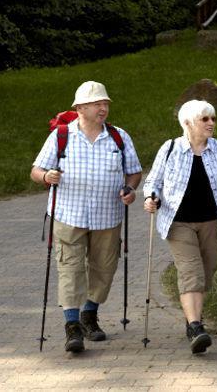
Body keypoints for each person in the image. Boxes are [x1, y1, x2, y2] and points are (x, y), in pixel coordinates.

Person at [30, 81, 142, 354]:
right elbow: (36, 170)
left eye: (105, 104)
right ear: (80, 108)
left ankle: (89, 314)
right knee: (70, 268)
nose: (103, 108)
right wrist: (46, 176)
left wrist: (130, 189)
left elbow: (134, 171)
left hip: (108, 216)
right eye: (97, 104)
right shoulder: (61, 136)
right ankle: (72, 327)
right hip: (68, 214)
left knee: (104, 268)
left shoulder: (119, 137)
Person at [142, 99, 217, 354]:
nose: (211, 123)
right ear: (188, 123)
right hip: (179, 223)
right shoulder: (170, 149)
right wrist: (151, 197)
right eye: (205, 119)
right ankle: (196, 327)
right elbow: (152, 182)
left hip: (214, 221)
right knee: (192, 272)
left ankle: (191, 317)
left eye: (212, 118)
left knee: (206, 273)